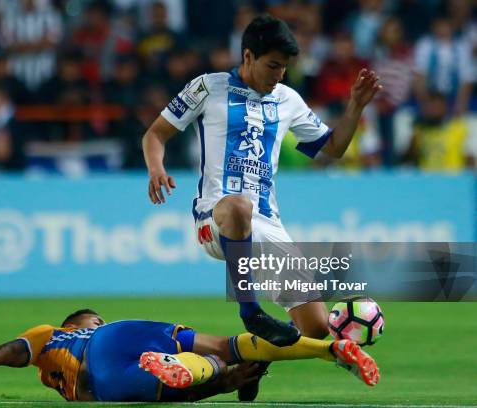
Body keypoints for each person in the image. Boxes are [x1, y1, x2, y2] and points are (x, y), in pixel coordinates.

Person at [142, 16, 381, 399]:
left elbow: (332, 149)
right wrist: (156, 169)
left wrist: (355, 106)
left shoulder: (288, 99)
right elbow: (156, 133)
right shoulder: (207, 87)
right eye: (272, 65)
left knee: (315, 328)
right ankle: (249, 311)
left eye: (285, 67)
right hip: (215, 217)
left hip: (267, 223)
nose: (279, 74)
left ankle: (254, 364)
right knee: (237, 206)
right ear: (248, 55)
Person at [0, 309, 379, 402]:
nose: (93, 320)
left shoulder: (50, 345)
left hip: (107, 383)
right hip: (126, 337)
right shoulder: (60, 332)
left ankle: (194, 370)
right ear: (77, 325)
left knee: (210, 370)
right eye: (90, 318)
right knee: (223, 348)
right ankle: (324, 348)